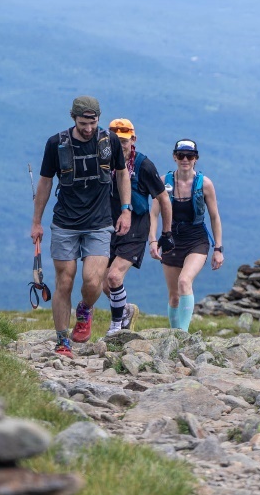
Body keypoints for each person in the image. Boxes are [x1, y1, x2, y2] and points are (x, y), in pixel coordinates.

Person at [31, 96, 131, 357]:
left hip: (99, 222)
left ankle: (85, 308)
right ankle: (63, 341)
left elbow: (122, 174)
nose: (88, 128)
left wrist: (125, 210)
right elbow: (44, 182)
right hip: (65, 222)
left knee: (92, 279)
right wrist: (36, 222)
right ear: (73, 118)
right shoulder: (56, 144)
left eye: (93, 122)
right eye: (83, 122)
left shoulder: (109, 141)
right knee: (64, 281)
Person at [102, 118, 173, 336]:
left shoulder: (144, 165)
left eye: (124, 141)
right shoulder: (103, 162)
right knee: (103, 283)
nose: (120, 145)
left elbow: (163, 199)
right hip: (107, 226)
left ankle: (115, 328)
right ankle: (125, 310)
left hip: (136, 227)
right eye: (115, 140)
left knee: (114, 277)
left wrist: (165, 233)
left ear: (133, 140)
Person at [158, 138, 223, 331]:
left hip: (197, 239)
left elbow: (214, 217)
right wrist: (153, 240)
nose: (185, 159)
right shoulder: (164, 182)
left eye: (190, 156)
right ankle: (174, 334)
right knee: (174, 295)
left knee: (184, 281)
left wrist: (218, 248)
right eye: (181, 156)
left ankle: (182, 334)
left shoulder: (205, 184)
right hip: (171, 239)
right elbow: (153, 213)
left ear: (196, 158)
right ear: (174, 157)